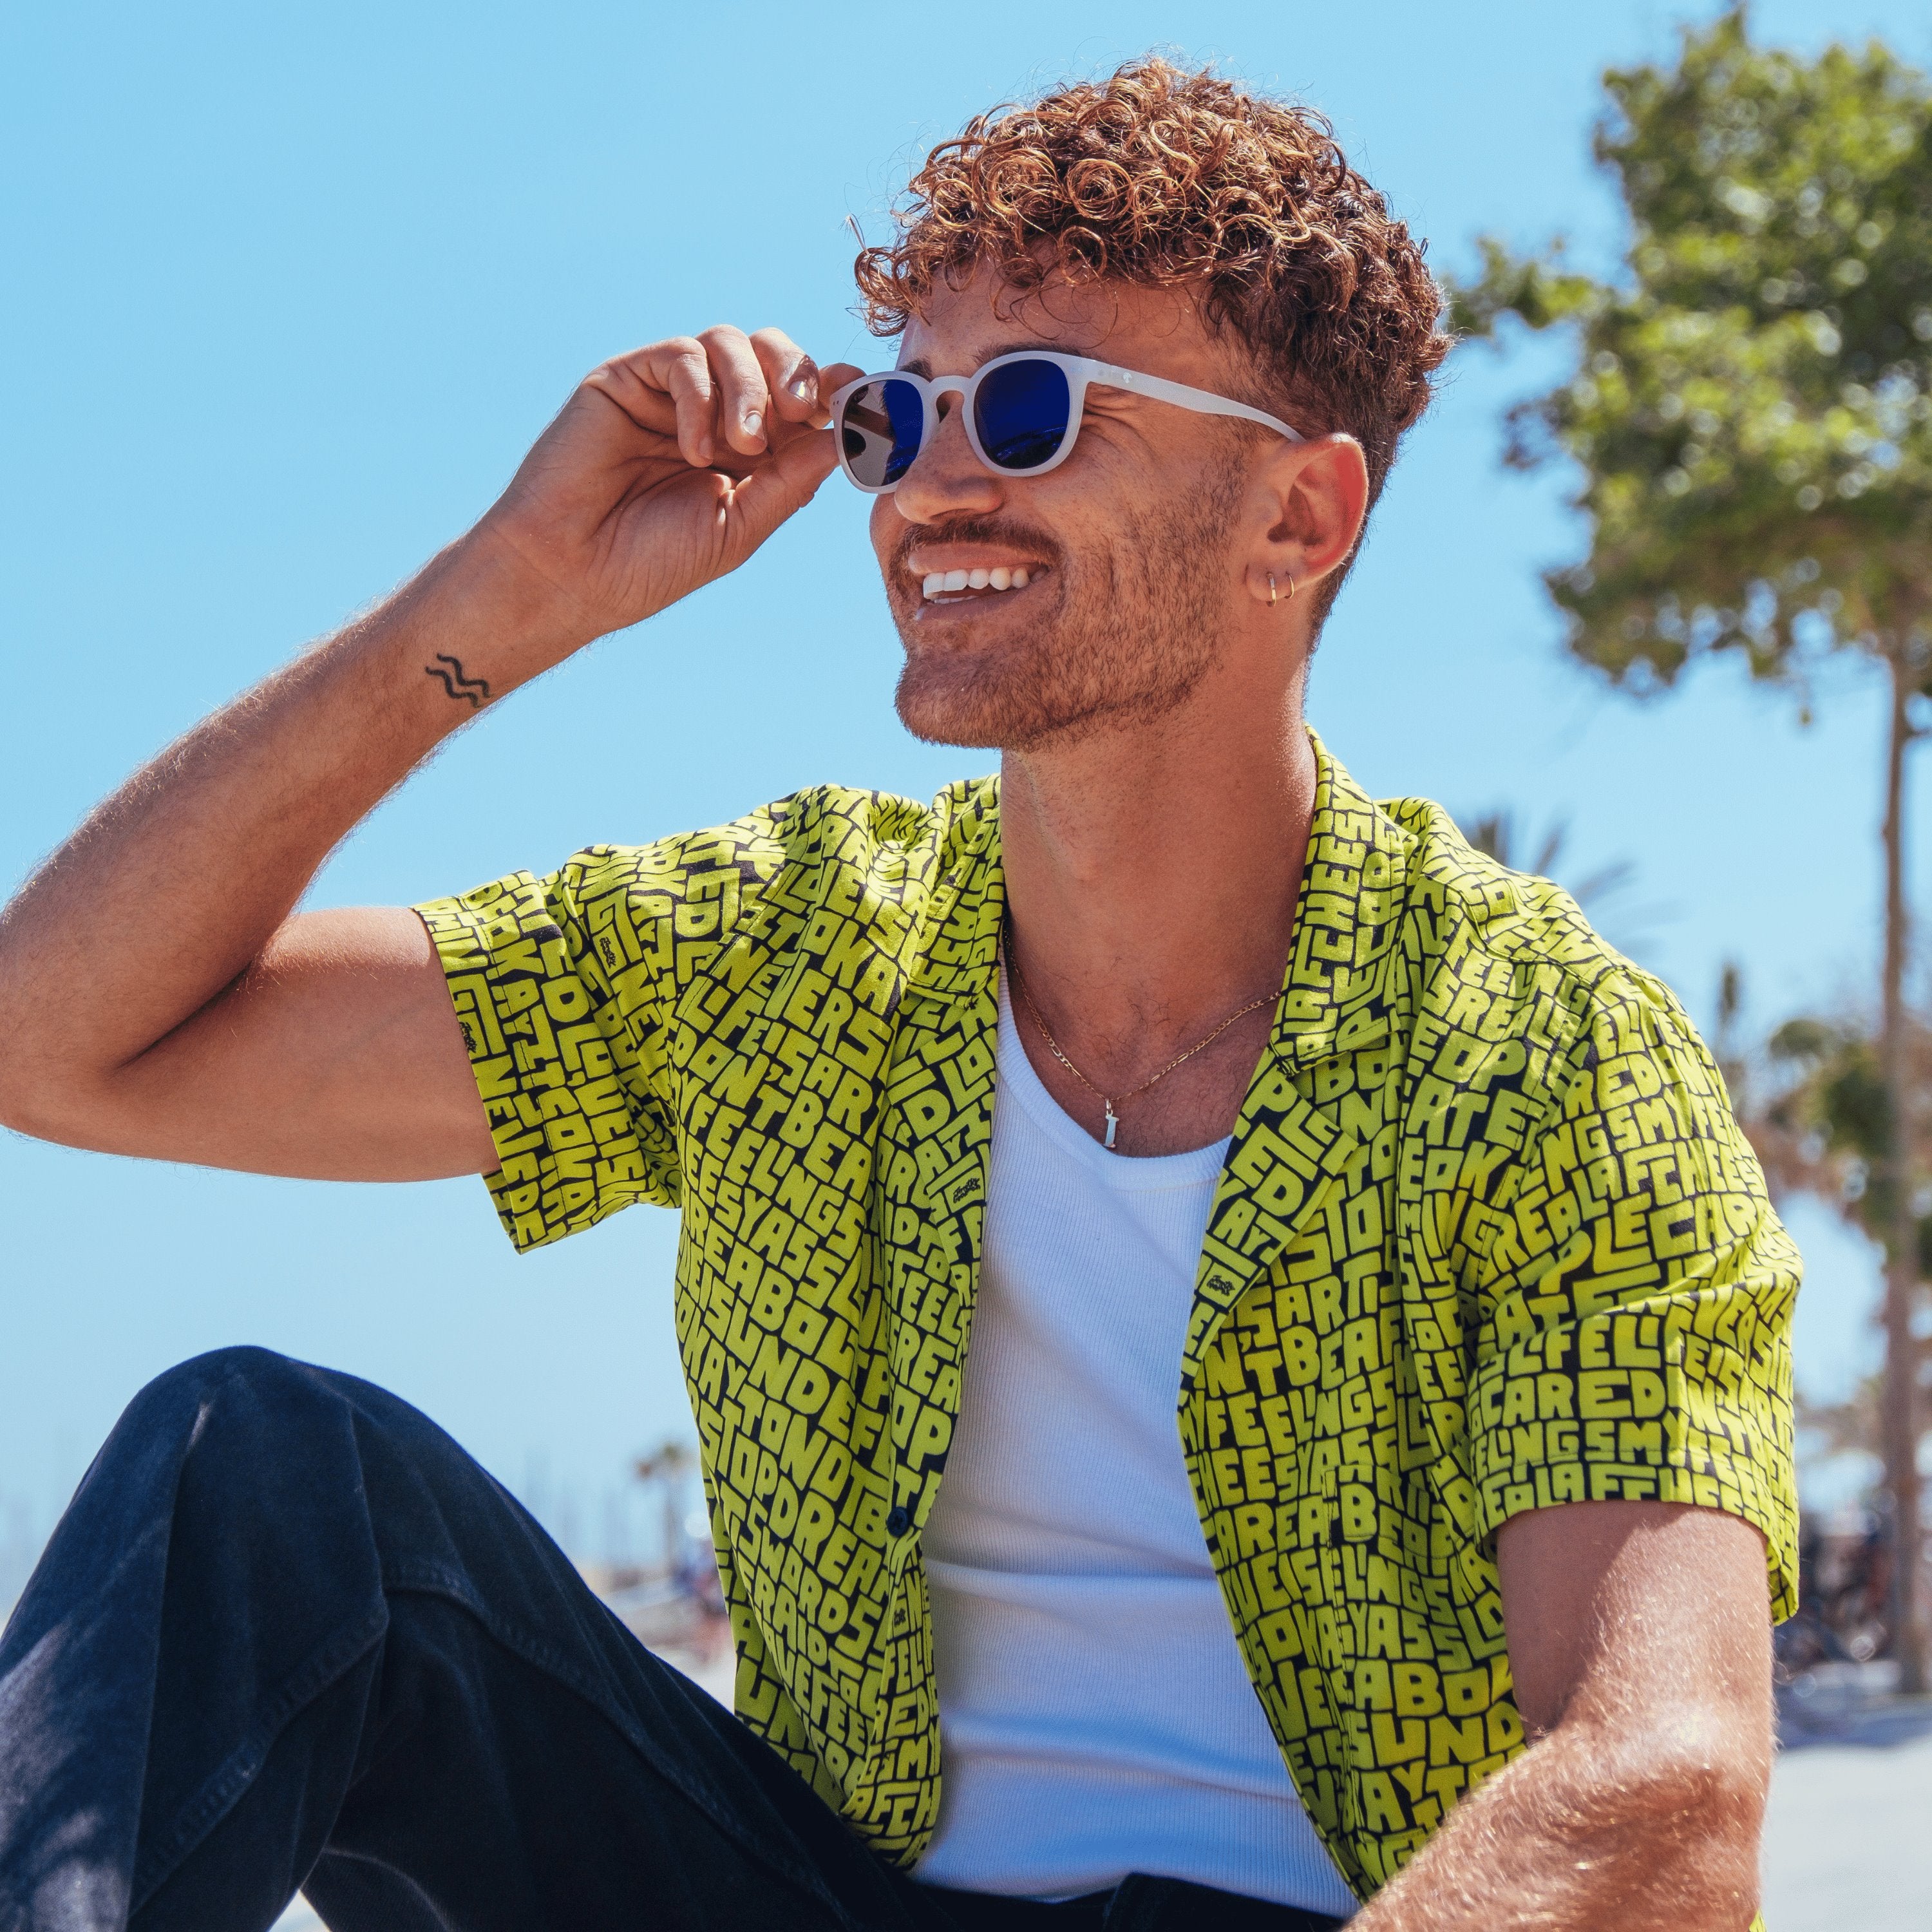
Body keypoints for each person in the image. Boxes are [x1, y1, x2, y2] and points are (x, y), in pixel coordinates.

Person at [0, 57, 1797, 1932]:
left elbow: (1660, 1789)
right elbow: (59, 1036)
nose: (934, 484)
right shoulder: (783, 952)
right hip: (819, 1895)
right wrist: (511, 595)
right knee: (271, 1476)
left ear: (1300, 516)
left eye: (1032, 409)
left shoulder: (1540, 1055)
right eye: (894, 416)